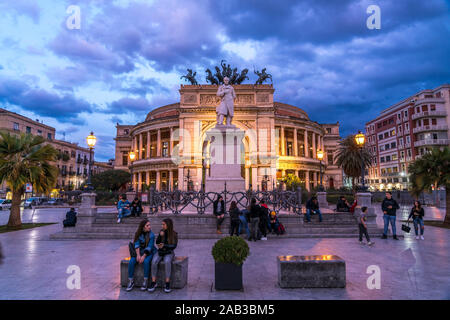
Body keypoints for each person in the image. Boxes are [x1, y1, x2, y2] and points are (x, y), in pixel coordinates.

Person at [148, 218, 178, 293]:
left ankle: (167, 282)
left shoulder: (174, 234)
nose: (162, 226)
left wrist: (164, 245)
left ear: (168, 225)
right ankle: (153, 282)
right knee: (154, 261)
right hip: (161, 251)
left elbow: (174, 246)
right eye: (162, 224)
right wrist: (160, 237)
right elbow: (157, 242)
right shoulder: (161, 232)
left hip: (169, 252)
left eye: (163, 224)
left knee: (167, 261)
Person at [126, 219, 156, 291]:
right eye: (147, 225)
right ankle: (131, 281)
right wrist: (138, 255)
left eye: (149, 225)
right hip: (139, 252)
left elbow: (150, 246)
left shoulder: (152, 235)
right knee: (132, 261)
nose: (149, 227)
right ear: (143, 227)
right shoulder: (138, 233)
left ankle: (145, 281)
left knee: (146, 261)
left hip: (149, 252)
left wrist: (143, 256)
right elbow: (136, 244)